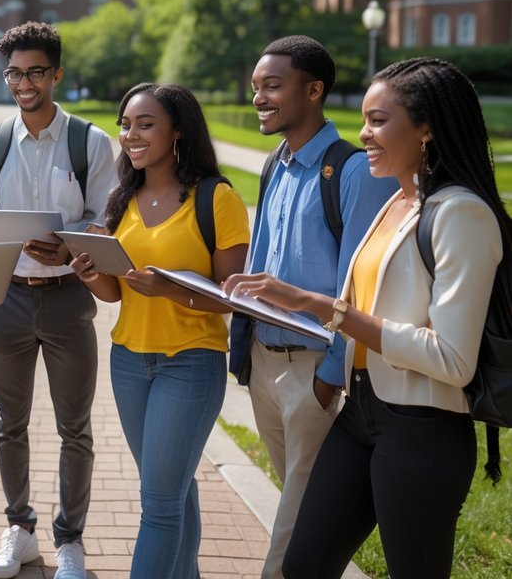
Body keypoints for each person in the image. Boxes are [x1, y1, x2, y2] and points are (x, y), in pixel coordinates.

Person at [225, 57, 511, 579]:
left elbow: (452, 359)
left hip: (422, 428)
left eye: (378, 121)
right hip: (361, 413)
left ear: (426, 129)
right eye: (363, 120)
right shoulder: (398, 200)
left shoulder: (461, 213)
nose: (363, 134)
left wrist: (321, 306)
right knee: (302, 565)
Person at [230, 36, 396, 579]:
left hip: (315, 371)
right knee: (301, 514)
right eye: (256, 86)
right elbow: (260, 259)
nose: (259, 97)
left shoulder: (352, 171)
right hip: (265, 365)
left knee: (291, 533)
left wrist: (329, 376)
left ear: (314, 90)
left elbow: (361, 286)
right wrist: (245, 347)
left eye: (272, 86)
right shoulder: (275, 164)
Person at [69, 83, 250, 579]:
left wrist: (168, 289)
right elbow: (114, 293)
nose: (131, 135)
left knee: (159, 504)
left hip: (191, 361)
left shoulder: (217, 198)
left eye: (145, 125)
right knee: (172, 489)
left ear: (178, 131)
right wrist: (89, 274)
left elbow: (232, 297)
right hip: (129, 361)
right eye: (126, 125)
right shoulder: (122, 197)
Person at [0, 21, 117, 579]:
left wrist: (69, 246)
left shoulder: (89, 143)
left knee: (75, 426)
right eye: (14, 73)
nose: (23, 84)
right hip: (5, 300)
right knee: (9, 423)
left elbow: (106, 218)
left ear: (56, 74)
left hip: (68, 299)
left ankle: (70, 540)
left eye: (35, 73)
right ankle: (21, 530)